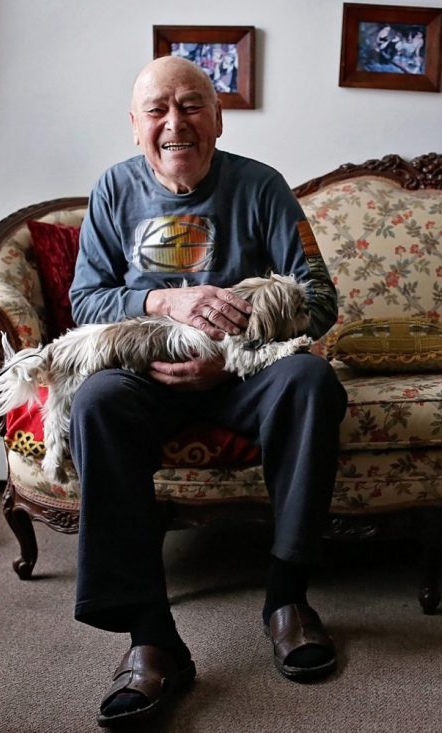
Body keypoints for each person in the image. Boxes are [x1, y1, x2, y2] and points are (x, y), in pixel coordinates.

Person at [68, 55, 347, 728]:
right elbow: (84, 303)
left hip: (243, 372)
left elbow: (320, 300)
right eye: (157, 110)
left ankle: (288, 598)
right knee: (95, 402)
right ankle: (151, 636)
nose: (175, 123)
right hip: (145, 376)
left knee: (312, 379)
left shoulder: (262, 187)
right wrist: (164, 299)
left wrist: (229, 352)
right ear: (135, 126)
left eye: (191, 105)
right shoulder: (112, 191)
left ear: (218, 119)